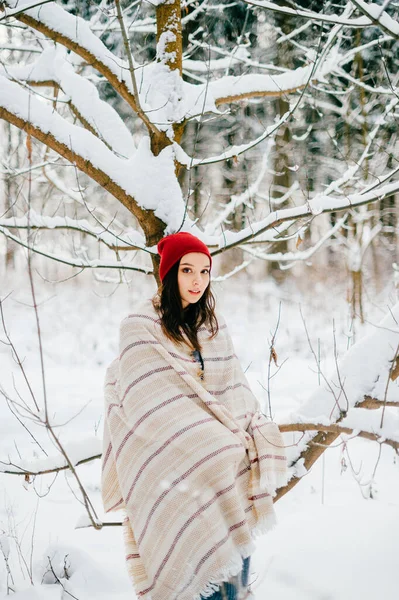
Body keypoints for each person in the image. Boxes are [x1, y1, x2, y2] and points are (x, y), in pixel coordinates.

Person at [101, 232, 287, 600]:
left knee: (234, 462)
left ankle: (230, 585)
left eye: (204, 271)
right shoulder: (139, 327)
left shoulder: (213, 327)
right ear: (169, 274)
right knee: (213, 461)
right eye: (187, 270)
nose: (198, 280)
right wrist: (209, 441)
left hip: (218, 452)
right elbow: (149, 406)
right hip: (167, 452)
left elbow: (234, 391)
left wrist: (248, 430)